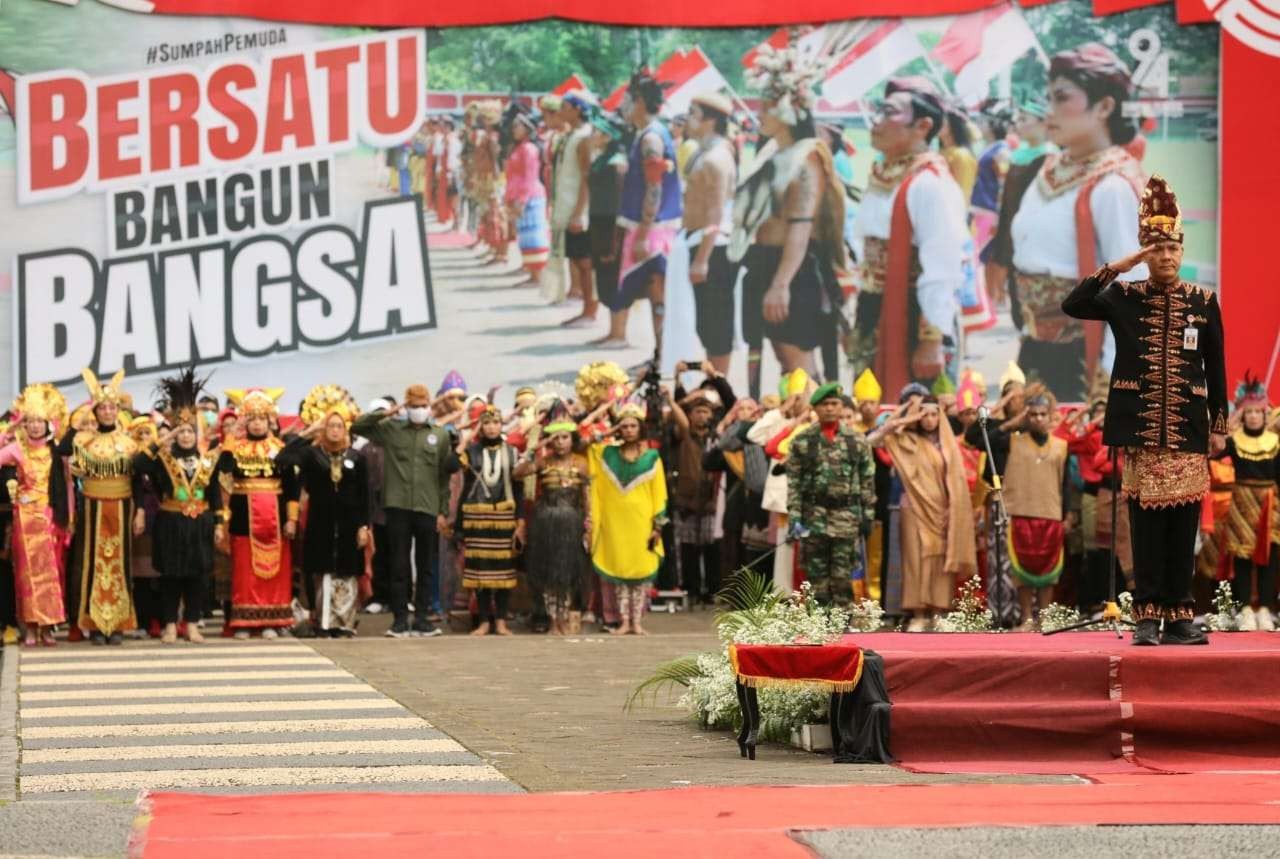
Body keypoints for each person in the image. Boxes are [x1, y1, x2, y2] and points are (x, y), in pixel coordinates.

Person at [1062, 174, 1228, 645]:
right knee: (1146, 529)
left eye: (1173, 250)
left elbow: (1216, 364)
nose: (1167, 258)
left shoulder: (1203, 301)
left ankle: (1179, 614)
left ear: (1182, 251)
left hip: (1188, 434)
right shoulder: (1124, 296)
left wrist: (1219, 424)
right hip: (1141, 434)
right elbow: (1072, 304)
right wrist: (1118, 266)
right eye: (1157, 251)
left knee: (1183, 528)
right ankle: (1147, 616)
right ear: (1145, 255)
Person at [999, 43, 1146, 401]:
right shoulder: (1048, 171)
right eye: (1048, 98)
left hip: (1083, 360)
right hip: (1035, 347)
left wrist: (1113, 379)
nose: (1050, 110)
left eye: (1062, 98)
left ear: (1104, 107)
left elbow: (1132, 289)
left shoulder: (1112, 185)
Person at [733, 47, 849, 385]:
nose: (761, 112)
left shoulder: (806, 158)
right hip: (764, 260)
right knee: (783, 358)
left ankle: (822, 427)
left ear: (790, 109)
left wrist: (781, 284)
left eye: (769, 105)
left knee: (796, 357)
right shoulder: (772, 151)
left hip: (792, 268)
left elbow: (801, 225)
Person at [849, 76, 967, 395]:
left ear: (923, 126)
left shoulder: (930, 182)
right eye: (879, 111)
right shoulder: (883, 172)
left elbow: (943, 263)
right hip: (876, 306)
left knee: (917, 413)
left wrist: (932, 340)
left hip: (914, 313)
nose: (877, 121)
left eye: (889, 112)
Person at [350, 385, 458, 638]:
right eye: (414, 406)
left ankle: (422, 619)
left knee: (425, 564)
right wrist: (388, 413)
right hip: (397, 506)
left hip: (427, 507)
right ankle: (399, 619)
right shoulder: (391, 429)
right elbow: (357, 427)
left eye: (423, 406)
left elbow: (443, 477)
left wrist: (442, 510)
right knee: (398, 564)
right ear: (406, 407)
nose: (419, 411)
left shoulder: (439, 435)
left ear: (429, 406)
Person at [869, 393, 976, 629]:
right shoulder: (906, 440)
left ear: (941, 416)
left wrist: (953, 508)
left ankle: (939, 612)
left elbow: (957, 482)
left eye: (933, 414)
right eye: (924, 414)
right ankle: (918, 614)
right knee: (914, 559)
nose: (928, 420)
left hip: (943, 510)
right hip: (913, 508)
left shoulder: (949, 445)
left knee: (940, 560)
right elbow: (874, 440)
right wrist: (904, 418)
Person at [595, 69, 683, 352]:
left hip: (653, 231)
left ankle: (663, 357)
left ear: (641, 102)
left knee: (658, 292)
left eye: (627, 100)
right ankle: (661, 354)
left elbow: (653, 188)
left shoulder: (651, 139)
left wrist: (644, 233)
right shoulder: (647, 135)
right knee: (654, 291)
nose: (622, 106)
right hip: (649, 227)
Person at [133, 369, 218, 644]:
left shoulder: (207, 461)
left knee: (197, 576)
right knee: (171, 576)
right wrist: (163, 440)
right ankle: (170, 623)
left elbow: (214, 493)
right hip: (170, 522)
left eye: (189, 431)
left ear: (196, 434)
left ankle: (192, 623)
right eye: (180, 432)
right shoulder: (163, 460)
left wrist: (218, 523)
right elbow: (138, 465)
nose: (185, 436)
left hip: (200, 523)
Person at [280, 385, 370, 637]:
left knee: (348, 573)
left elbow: (365, 495)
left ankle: (344, 624)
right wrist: (308, 432)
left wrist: (364, 526)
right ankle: (322, 623)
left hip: (351, 524)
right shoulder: (311, 455)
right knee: (322, 573)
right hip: (320, 522)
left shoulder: (357, 457)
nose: (334, 430)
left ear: (346, 429)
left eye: (339, 426)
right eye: (329, 425)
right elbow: (283, 460)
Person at [58, 369, 140, 645]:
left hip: (122, 506)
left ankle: (117, 624)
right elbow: (62, 450)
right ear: (95, 411)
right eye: (102, 407)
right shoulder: (84, 441)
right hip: (92, 508)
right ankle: (93, 624)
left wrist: (138, 511)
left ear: (118, 410)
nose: (107, 412)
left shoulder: (129, 443)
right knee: (91, 564)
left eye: (111, 407)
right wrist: (78, 422)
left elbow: (138, 481)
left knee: (120, 564)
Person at [977, 389, 1070, 630]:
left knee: (1050, 570)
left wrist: (1069, 515)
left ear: (1051, 416)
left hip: (1051, 513)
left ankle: (1046, 617)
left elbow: (1066, 484)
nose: (1038, 419)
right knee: (1023, 570)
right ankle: (1027, 617)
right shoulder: (1012, 441)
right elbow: (983, 440)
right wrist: (1014, 423)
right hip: (1020, 512)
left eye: (1043, 414)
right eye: (1034, 414)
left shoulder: (1061, 446)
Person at [209, 387, 296, 639]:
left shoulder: (280, 449)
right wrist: (231, 438)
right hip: (242, 518)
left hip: (276, 519)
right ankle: (244, 621)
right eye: (252, 419)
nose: (257, 424)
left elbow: (291, 486)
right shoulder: (235, 449)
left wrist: (291, 519)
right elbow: (222, 473)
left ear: (270, 420)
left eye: (262, 419)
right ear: (245, 421)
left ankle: (272, 621)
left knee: (275, 571)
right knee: (245, 571)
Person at [785, 382, 877, 607]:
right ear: (814, 408)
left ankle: (842, 632)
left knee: (842, 577)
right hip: (813, 517)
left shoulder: (857, 441)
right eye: (824, 404)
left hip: (846, 517)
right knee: (816, 581)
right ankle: (820, 632)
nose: (829, 408)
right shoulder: (802, 442)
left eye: (834, 403)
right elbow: (794, 484)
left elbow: (867, 480)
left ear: (841, 406)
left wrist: (867, 515)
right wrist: (795, 518)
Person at [587, 396, 668, 635]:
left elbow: (660, 494)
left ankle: (637, 622)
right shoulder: (606, 454)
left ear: (640, 428)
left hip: (642, 523)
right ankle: (623, 621)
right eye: (624, 426)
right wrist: (610, 429)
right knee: (619, 571)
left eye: (633, 425)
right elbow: (587, 439)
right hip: (615, 523)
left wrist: (658, 526)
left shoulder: (652, 457)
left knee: (641, 573)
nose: (629, 430)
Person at [672, 92, 738, 376]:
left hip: (712, 247)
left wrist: (702, 258)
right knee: (704, 322)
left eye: (694, 112)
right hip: (699, 241)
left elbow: (716, 211)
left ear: (710, 120)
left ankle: (718, 384)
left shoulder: (716, 157)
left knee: (715, 324)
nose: (688, 118)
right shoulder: (706, 151)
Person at [0, 384, 71, 647]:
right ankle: (30, 626)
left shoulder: (57, 451)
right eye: (29, 422)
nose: (35, 426)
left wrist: (69, 521)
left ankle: (47, 627)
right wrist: (6, 432)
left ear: (48, 423)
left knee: (51, 575)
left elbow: (67, 488)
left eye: (39, 421)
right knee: (26, 574)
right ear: (24, 424)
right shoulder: (17, 449)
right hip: (25, 521)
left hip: (51, 519)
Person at [516, 401, 591, 635]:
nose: (560, 443)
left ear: (572, 439)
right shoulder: (543, 462)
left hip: (572, 521)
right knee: (548, 573)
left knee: (568, 574)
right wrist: (535, 447)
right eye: (556, 438)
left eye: (564, 438)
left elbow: (587, 498)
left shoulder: (581, 464)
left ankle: (565, 619)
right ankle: (552, 621)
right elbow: (517, 473)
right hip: (546, 523)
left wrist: (589, 524)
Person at [456, 404, 524, 636]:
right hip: (476, 518)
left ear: (501, 425)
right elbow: (450, 466)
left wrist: (521, 521)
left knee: (503, 571)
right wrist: (464, 442)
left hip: (504, 518)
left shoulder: (513, 452)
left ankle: (502, 621)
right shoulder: (471, 451)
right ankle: (484, 621)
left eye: (496, 422)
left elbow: (519, 488)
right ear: (480, 426)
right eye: (486, 423)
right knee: (481, 573)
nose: (492, 427)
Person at [1220, 374, 1278, 631]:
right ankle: (1244, 609)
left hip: (1271, 503)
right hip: (1242, 502)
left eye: (1258, 411)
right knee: (1241, 556)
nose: (1254, 416)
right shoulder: (1233, 442)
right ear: (1242, 414)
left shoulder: (1276, 442)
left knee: (1270, 556)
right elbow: (1213, 451)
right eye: (1249, 411)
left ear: (1265, 414)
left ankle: (1265, 608)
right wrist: (1227, 424)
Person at [665, 385, 722, 604]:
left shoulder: (718, 437)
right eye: (697, 411)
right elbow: (677, 419)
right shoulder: (684, 435)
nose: (701, 415)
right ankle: (692, 589)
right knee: (688, 548)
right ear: (690, 415)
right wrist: (677, 401)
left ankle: (713, 590)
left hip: (711, 501)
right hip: (687, 501)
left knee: (711, 548)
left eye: (706, 411)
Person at [552, 91, 598, 326]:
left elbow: (587, 177)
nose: (561, 111)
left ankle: (590, 311)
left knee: (585, 261)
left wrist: (579, 212)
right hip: (569, 204)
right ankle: (584, 305)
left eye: (565, 106)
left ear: (577, 109)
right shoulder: (573, 136)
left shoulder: (584, 138)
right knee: (578, 258)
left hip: (579, 209)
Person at [586, 112, 629, 326]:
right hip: (599, 222)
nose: (592, 135)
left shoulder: (616, 163)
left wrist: (614, 242)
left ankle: (618, 332)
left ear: (608, 137)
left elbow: (619, 203)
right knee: (603, 278)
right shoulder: (603, 159)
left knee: (613, 278)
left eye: (597, 131)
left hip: (611, 227)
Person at [502, 107, 551, 289]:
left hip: (530, 197)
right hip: (520, 197)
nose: (514, 129)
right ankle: (532, 272)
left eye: (518, 126)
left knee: (533, 237)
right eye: (513, 126)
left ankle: (538, 275)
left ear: (527, 129)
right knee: (525, 236)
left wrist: (521, 201)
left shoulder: (529, 149)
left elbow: (530, 177)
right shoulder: (519, 148)